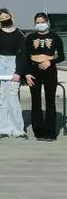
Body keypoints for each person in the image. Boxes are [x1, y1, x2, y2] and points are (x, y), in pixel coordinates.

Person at [23, 12, 64, 142]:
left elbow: (62, 56)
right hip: (33, 69)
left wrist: (50, 62)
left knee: (50, 100)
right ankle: (38, 130)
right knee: (35, 100)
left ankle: (50, 131)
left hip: (49, 69)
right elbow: (25, 57)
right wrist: (27, 73)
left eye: (42, 22)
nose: (40, 24)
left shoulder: (55, 36)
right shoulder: (30, 37)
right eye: (37, 22)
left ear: (47, 22)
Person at [0, 8, 27, 138]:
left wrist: (19, 72)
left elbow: (23, 54)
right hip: (0, 66)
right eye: (2, 18)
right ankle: (3, 129)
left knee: (13, 98)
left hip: (13, 66)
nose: (5, 19)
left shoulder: (19, 34)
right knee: (0, 99)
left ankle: (18, 130)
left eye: (6, 17)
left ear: (11, 17)